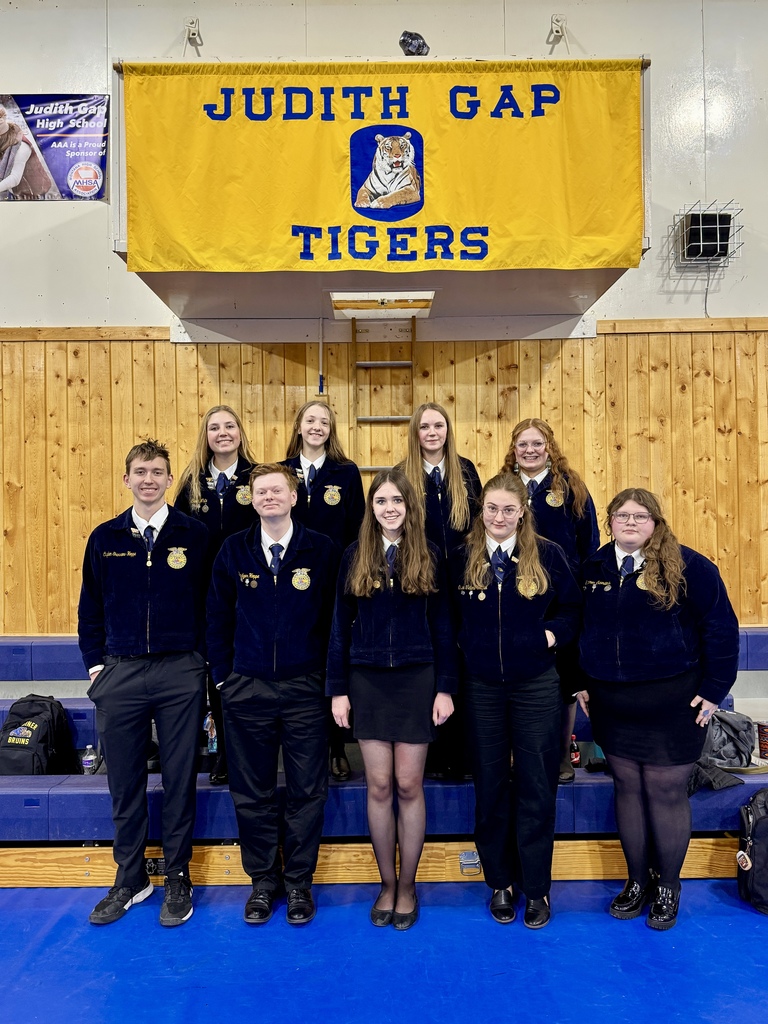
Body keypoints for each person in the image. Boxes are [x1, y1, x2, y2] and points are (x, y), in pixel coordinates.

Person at [577, 487, 739, 930]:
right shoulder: (592, 567)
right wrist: (580, 682)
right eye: (622, 515)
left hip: (674, 702)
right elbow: (579, 626)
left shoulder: (690, 566)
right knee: (628, 789)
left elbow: (721, 629)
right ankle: (637, 881)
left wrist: (714, 689)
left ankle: (668, 885)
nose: (630, 523)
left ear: (655, 522)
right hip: (613, 702)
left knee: (666, 793)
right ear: (609, 522)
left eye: (640, 516)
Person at [78, 438, 209, 927]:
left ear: (170, 480)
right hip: (121, 672)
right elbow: (89, 608)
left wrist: (200, 663)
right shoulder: (105, 537)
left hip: (180, 672)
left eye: (157, 472)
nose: (149, 479)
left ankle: (177, 875)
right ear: (126, 479)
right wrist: (97, 667)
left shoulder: (195, 535)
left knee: (179, 779)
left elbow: (212, 605)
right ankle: (131, 877)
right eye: (140, 472)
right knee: (124, 781)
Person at [206, 463, 339, 926]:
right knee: (251, 792)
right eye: (260, 491)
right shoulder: (233, 550)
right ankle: (263, 881)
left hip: (306, 689)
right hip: (247, 689)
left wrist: (328, 680)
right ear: (252, 498)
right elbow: (216, 618)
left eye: (277, 490)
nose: (269, 497)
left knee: (308, 791)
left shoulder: (321, 550)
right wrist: (224, 678)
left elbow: (335, 620)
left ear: (294, 496)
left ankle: (299, 882)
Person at [448, 473, 581, 928]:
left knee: (536, 786)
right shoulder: (460, 557)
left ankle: (537, 887)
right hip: (481, 687)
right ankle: (500, 883)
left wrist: (550, 635)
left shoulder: (547, 554)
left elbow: (572, 610)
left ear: (523, 511)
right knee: (489, 788)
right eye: (492, 509)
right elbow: (446, 618)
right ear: (481, 511)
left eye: (509, 509)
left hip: (535, 685)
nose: (499, 517)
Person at [327, 468, 456, 930]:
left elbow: (444, 626)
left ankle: (408, 884)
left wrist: (445, 687)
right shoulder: (353, 555)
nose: (390, 508)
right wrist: (338, 690)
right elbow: (339, 627)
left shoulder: (430, 554)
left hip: (417, 678)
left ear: (409, 506)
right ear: (371, 508)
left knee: (408, 785)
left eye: (397, 500)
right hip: (367, 680)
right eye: (381, 501)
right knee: (378, 786)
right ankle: (386, 883)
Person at [502, 418, 599, 783]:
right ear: (514, 449)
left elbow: (589, 543)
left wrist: (583, 591)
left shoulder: (570, 487)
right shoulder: (504, 486)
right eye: (523, 444)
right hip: (516, 596)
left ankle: (560, 755)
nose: (530, 450)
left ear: (549, 447)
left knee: (563, 680)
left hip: (562, 597)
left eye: (537, 443)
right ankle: (519, 754)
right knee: (517, 676)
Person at [281, 400, 365, 782]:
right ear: (298, 426)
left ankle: (337, 747)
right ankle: (301, 749)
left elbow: (358, 529)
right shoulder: (281, 471)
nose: (317, 427)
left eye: (325, 422)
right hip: (291, 584)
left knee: (333, 660)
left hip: (334, 581)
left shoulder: (345, 472)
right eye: (310, 420)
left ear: (331, 430)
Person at [175, 405, 259, 785]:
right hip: (206, 595)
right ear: (206, 436)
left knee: (249, 670)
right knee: (217, 672)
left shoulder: (256, 477)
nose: (222, 433)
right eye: (214, 428)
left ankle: (252, 750)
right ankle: (224, 750)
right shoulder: (192, 482)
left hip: (250, 591)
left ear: (240, 432)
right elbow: (178, 535)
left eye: (229, 426)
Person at [399, 402, 481, 779]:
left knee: (462, 659)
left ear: (448, 430)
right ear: (415, 433)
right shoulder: (403, 474)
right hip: (423, 582)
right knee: (432, 662)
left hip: (464, 582)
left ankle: (463, 754)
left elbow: (479, 525)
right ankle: (432, 753)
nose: (432, 433)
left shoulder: (466, 471)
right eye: (424, 427)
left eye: (438, 426)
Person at [0, 104, 51, 199]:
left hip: (32, 195)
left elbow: (15, 178)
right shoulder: (2, 140)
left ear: (1, 120)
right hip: (11, 191)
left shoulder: (21, 145)